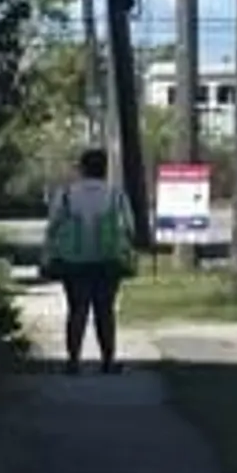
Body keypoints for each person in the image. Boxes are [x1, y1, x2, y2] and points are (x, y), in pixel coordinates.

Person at [44, 146, 136, 375]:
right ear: (105, 169)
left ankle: (73, 361)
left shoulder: (66, 194)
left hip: (73, 259)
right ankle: (108, 361)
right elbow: (130, 228)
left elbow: (53, 226)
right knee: (105, 310)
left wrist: (50, 251)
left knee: (77, 309)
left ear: (82, 169)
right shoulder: (116, 194)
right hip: (108, 259)